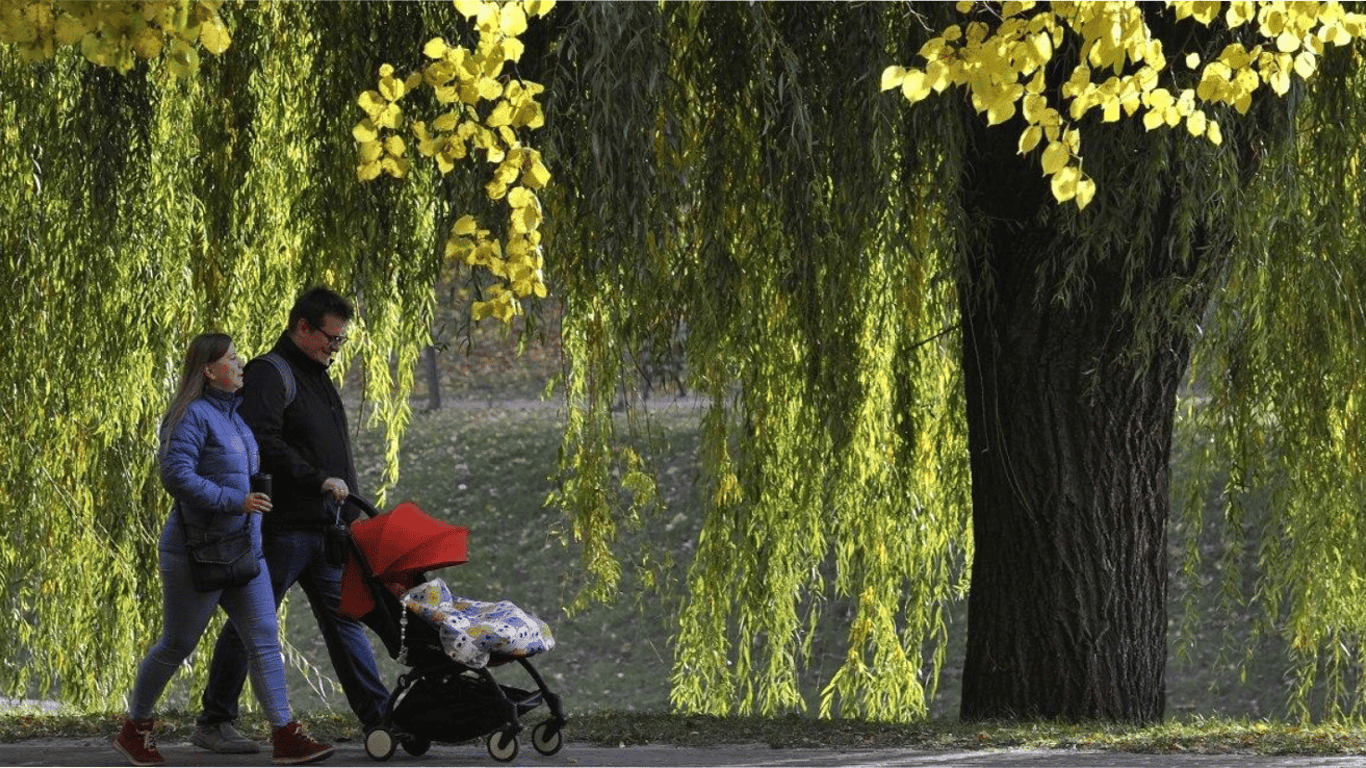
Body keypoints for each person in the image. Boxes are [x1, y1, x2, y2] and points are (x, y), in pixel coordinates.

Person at [114, 333, 334, 767]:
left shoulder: (235, 418)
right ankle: (135, 728)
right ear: (209, 371)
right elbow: (176, 475)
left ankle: (285, 735)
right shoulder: (192, 416)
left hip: (243, 550)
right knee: (177, 645)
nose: (241, 364)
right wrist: (235, 501)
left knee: (265, 641)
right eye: (232, 359)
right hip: (197, 552)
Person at [192, 288, 390, 754]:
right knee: (252, 622)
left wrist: (341, 505)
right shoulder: (269, 374)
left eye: (340, 341)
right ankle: (215, 719)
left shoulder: (317, 374)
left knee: (345, 621)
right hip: (283, 529)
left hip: (325, 529)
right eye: (329, 338)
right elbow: (261, 443)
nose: (334, 347)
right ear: (302, 326)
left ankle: (382, 720)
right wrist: (318, 478)